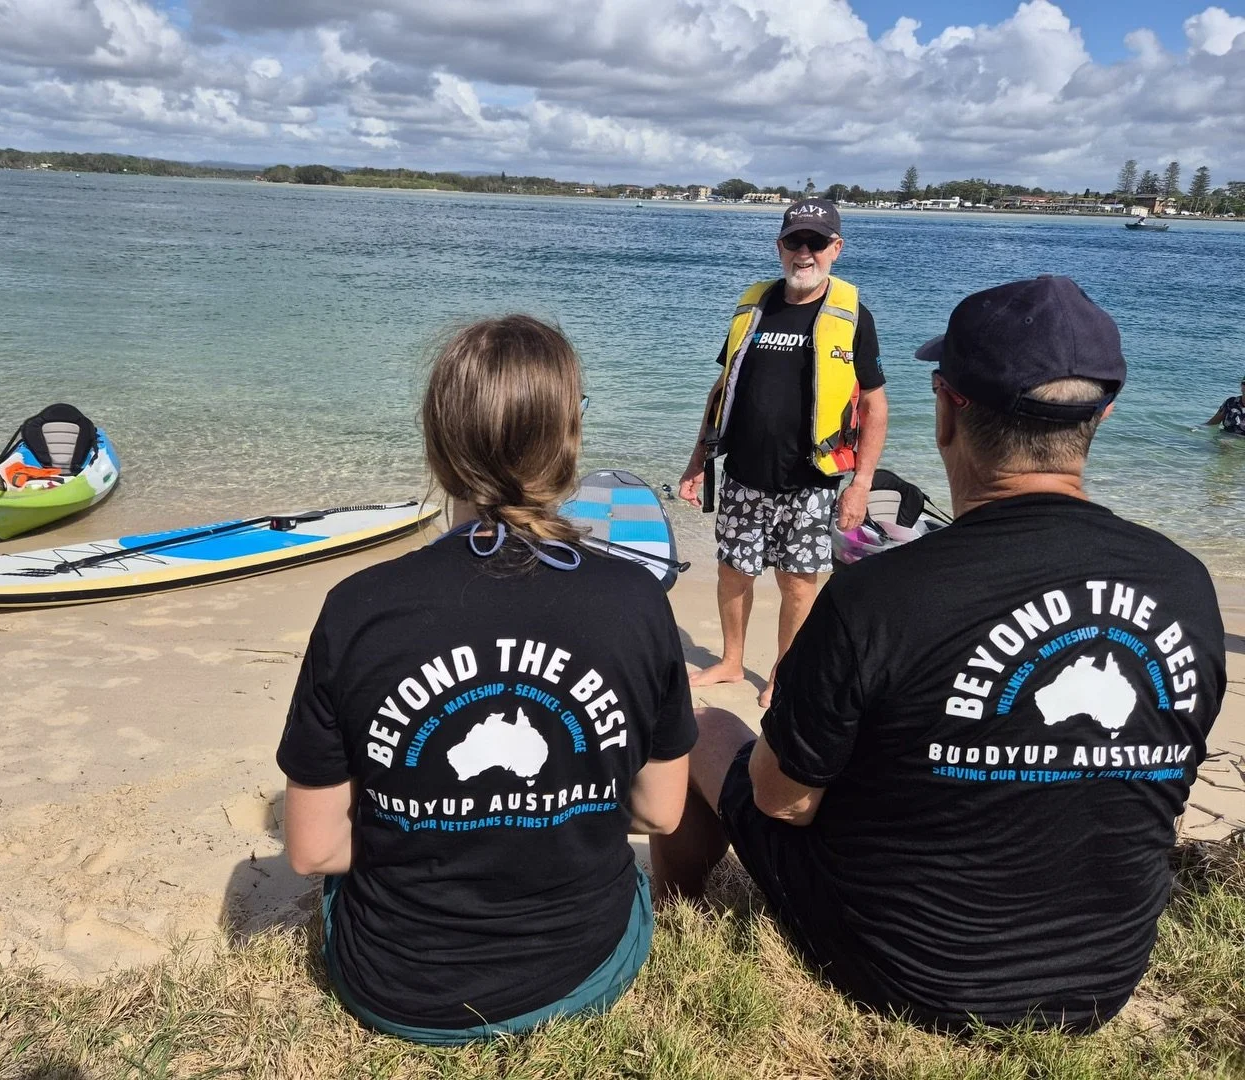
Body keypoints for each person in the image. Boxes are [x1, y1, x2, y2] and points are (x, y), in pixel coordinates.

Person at [652, 275, 1225, 1033]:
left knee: (709, 727)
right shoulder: (1183, 583)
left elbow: (780, 801)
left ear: (947, 410)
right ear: (1102, 416)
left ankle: (671, 914)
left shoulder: (879, 595)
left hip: (909, 972)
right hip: (1104, 977)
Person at [277, 315, 696, 1044]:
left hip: (394, 984)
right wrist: (551, 817)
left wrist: (436, 824)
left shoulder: (359, 607)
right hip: (581, 969)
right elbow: (660, 813)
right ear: (569, 440)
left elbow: (314, 851)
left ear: (438, 444)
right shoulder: (636, 602)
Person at [680, 198, 888, 708]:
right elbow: (721, 388)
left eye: (816, 242)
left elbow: (876, 405)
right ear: (779, 246)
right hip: (742, 475)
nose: (804, 252)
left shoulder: (852, 316)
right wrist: (696, 462)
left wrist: (860, 485)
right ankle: (731, 661)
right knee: (734, 572)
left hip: (811, 482)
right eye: (794, 241)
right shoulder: (754, 306)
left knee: (798, 584)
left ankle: (781, 672)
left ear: (835, 249)